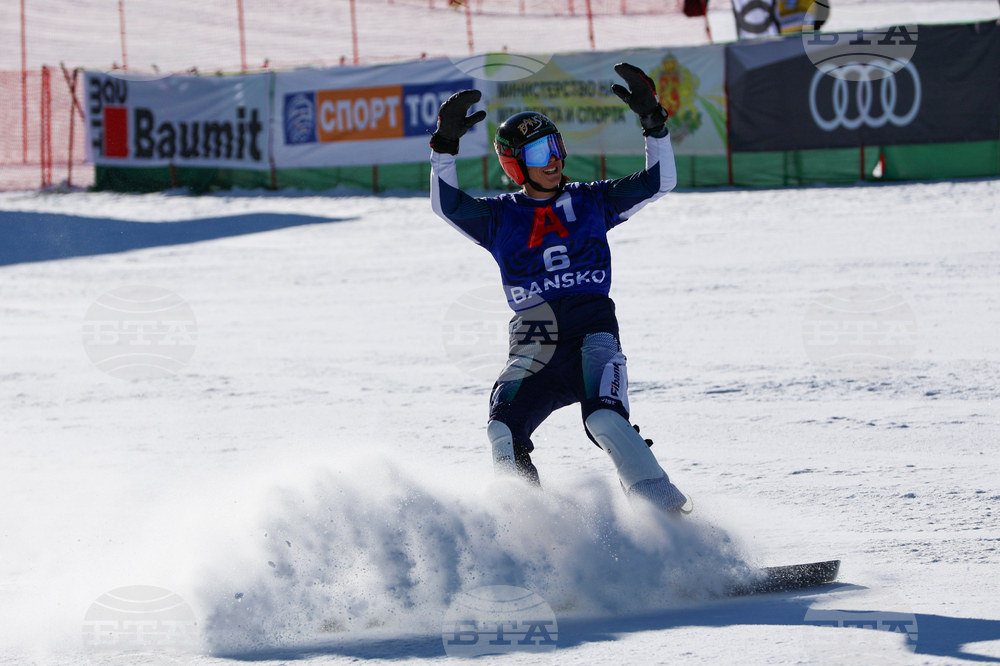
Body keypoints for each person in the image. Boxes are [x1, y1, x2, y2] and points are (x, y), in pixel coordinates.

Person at [429, 63, 687, 513]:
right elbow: (446, 204)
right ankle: (534, 537)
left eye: (554, 147)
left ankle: (673, 527)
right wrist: (444, 147)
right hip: (533, 342)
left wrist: (654, 124)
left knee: (606, 419)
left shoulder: (592, 201)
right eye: (536, 153)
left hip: (592, 334)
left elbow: (658, 182)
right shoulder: (499, 218)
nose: (551, 160)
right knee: (502, 432)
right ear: (515, 165)